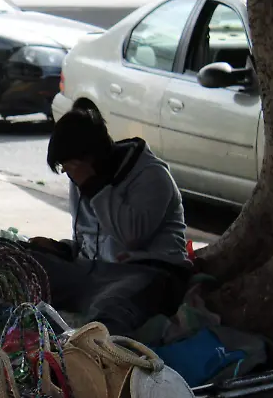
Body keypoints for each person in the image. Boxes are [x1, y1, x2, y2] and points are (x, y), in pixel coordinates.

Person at [29, 105, 192, 336]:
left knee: (110, 312)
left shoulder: (153, 176)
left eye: (70, 169)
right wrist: (60, 248)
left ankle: (88, 356)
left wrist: (94, 187)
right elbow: (88, 241)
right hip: (94, 271)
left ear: (89, 159)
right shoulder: (81, 180)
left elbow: (130, 237)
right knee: (23, 265)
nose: (70, 176)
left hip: (145, 273)